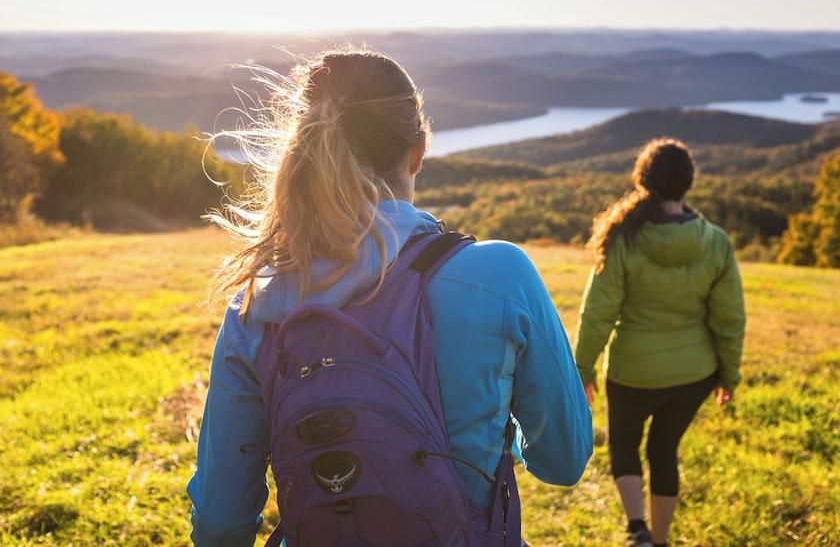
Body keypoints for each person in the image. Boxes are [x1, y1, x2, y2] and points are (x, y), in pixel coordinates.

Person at [188, 48, 592, 546]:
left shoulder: (258, 303)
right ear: (417, 151)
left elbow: (219, 525)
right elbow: (565, 461)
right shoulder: (499, 274)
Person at [573, 138, 745, 547]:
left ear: (643, 179)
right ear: (689, 183)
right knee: (665, 450)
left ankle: (638, 532)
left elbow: (597, 314)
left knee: (625, 447)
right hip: (694, 374)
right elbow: (729, 320)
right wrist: (729, 376)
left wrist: (583, 370)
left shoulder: (623, 237)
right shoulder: (716, 241)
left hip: (632, 372)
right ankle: (661, 540)